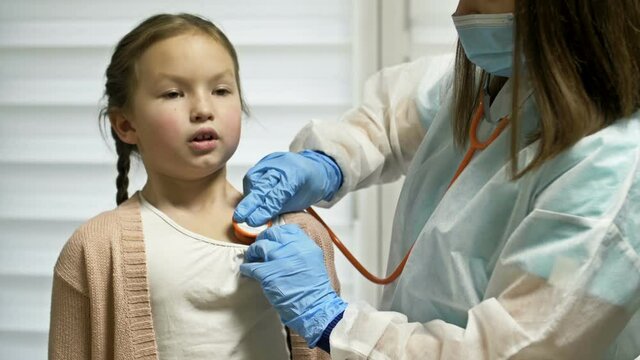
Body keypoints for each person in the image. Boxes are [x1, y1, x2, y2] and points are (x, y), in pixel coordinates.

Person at [235, 0, 640, 358]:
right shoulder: (497, 79)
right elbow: (392, 119)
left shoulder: (609, 173)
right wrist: (327, 161)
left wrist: (334, 322)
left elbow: (511, 351)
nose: (459, 12)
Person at [48, 13, 340, 360]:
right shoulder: (94, 250)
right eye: (173, 93)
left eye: (220, 90)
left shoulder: (302, 234)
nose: (203, 109)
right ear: (126, 124)